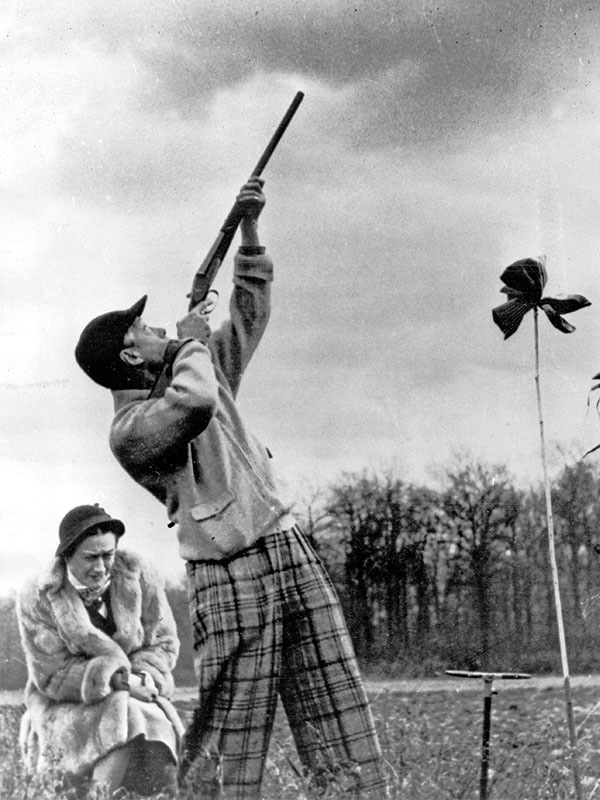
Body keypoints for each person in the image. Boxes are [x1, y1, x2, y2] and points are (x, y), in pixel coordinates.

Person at [73, 177, 388, 798]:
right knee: (231, 750)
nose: (155, 324)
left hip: (286, 546)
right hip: (227, 574)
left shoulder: (196, 364)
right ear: (132, 359)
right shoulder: (131, 429)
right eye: (141, 328)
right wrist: (191, 338)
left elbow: (249, 312)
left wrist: (248, 229)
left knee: (337, 713)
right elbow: (193, 403)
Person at [17, 503, 184, 797]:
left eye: (108, 555)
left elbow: (164, 641)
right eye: (90, 557)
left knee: (146, 722)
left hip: (139, 691)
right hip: (66, 704)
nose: (100, 567)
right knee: (127, 713)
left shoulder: (138, 574)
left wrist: (145, 676)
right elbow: (52, 675)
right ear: (67, 556)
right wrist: (120, 682)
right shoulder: (39, 594)